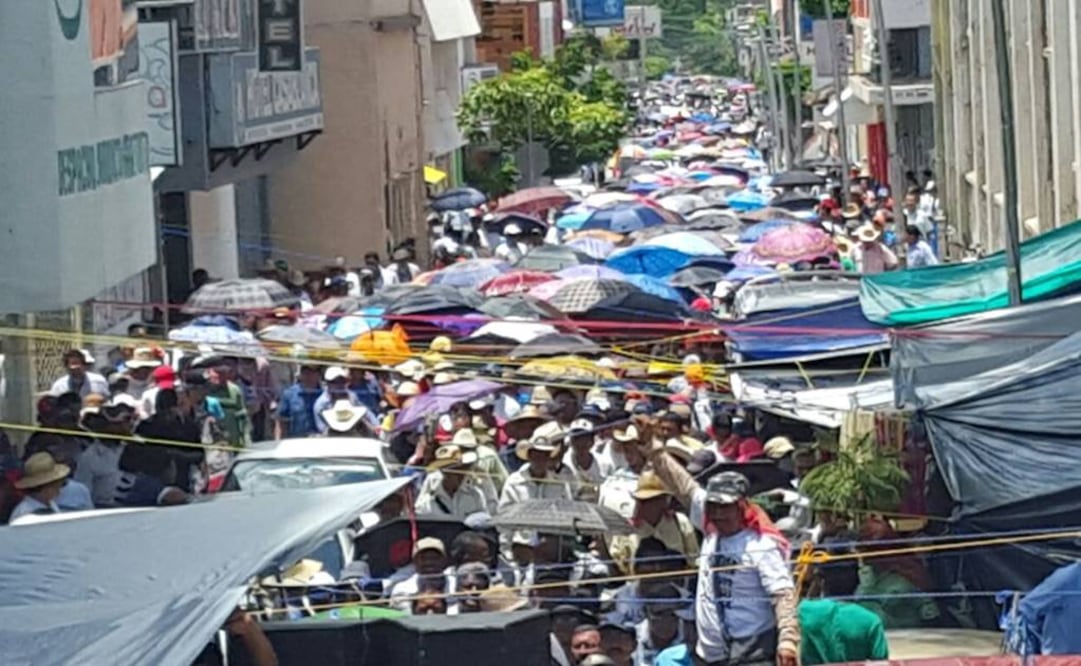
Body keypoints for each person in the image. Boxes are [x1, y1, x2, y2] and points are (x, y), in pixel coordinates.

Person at [640, 424, 800, 666]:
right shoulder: (710, 526)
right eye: (713, 507)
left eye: (725, 507)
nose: (718, 514)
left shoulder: (760, 544)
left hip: (752, 649)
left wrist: (787, 639)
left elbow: (783, 593)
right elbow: (683, 486)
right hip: (711, 651)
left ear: (741, 506)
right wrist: (654, 450)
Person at [608, 472, 699, 576]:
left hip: (676, 582)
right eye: (641, 500)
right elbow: (617, 565)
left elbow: (693, 559)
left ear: (664, 501)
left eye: (651, 500)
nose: (644, 505)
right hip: (639, 584)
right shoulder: (625, 529)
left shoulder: (680, 521)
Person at [855, 517, 939, 629]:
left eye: (863, 550)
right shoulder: (867, 576)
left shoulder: (908, 573)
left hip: (906, 635)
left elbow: (929, 613)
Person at [414, 445, 488, 519]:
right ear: (444, 473)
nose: (461, 475)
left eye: (462, 469)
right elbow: (420, 519)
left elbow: (485, 521)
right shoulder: (428, 502)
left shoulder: (475, 496)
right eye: (455, 471)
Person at [388, 537, 450, 612]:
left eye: (434, 558)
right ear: (415, 561)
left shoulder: (456, 586)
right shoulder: (401, 590)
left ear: (444, 561)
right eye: (423, 558)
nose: (429, 562)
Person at [8, 452, 70, 524]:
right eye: (57, 486)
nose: (59, 490)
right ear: (46, 488)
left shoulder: (51, 504)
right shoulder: (24, 513)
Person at [274, 364, 323, 438]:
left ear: (319, 375)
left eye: (313, 373)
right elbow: (281, 421)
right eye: (306, 373)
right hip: (296, 440)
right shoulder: (289, 394)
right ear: (301, 375)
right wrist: (279, 440)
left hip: (320, 440)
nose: (309, 377)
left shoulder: (325, 396)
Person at [312, 366, 362, 434]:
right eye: (334, 382)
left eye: (342, 381)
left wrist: (375, 425)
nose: (339, 385)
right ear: (327, 383)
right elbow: (323, 429)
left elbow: (366, 413)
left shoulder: (352, 396)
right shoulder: (320, 405)